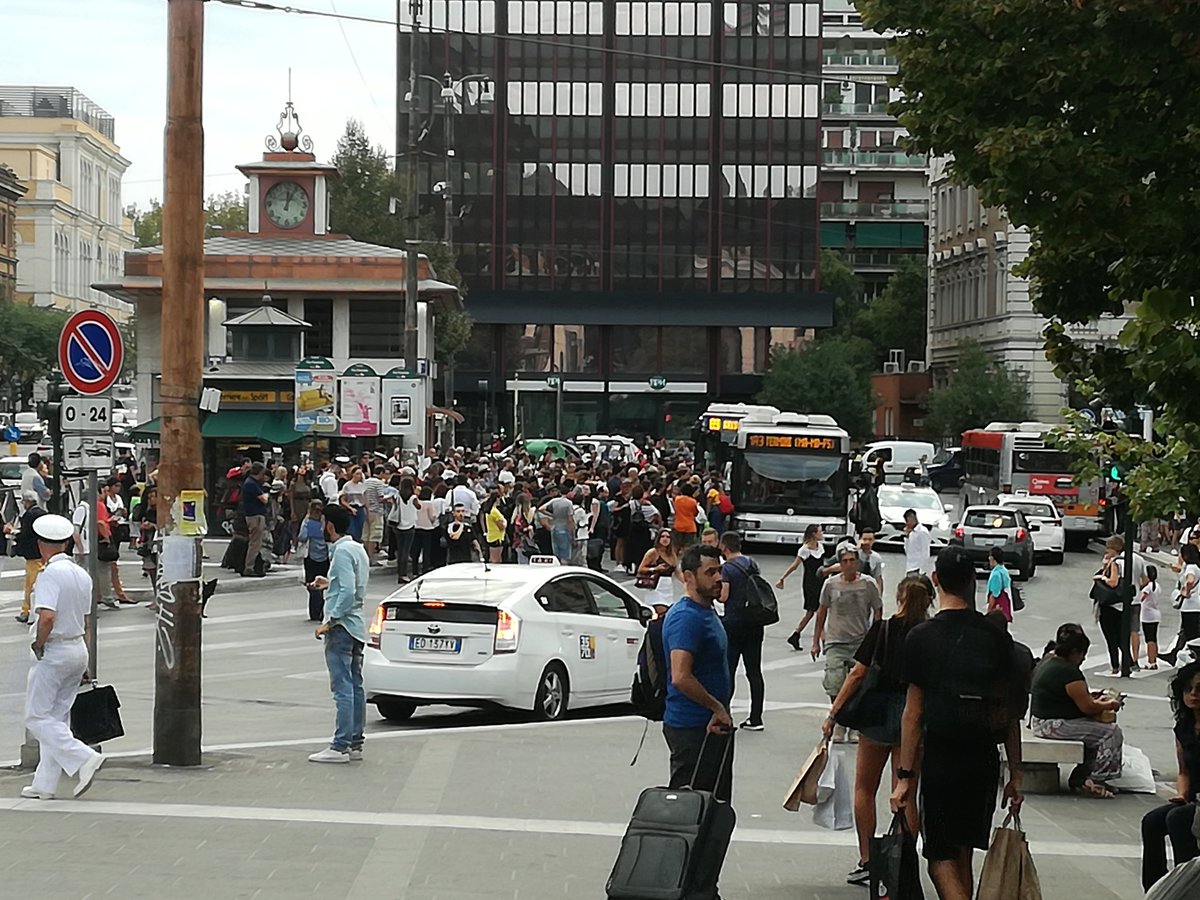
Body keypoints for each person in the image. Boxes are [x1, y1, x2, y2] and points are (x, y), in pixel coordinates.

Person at [891, 546, 1024, 900]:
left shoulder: (920, 637)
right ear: (974, 581)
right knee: (962, 850)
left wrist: (904, 778)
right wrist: (1016, 774)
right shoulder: (996, 636)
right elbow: (1008, 712)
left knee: (938, 856)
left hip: (942, 755)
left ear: (936, 581)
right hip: (983, 758)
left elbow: (913, 713)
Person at [825, 575, 934, 886]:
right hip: (914, 714)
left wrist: (834, 713)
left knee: (864, 788)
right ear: (928, 600)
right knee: (906, 792)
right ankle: (904, 860)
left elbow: (859, 672)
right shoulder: (928, 633)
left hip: (877, 713)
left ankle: (868, 859)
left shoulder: (883, 628)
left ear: (899, 596)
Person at [21, 513, 106, 800]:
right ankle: (44, 784)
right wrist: (87, 660)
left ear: (43, 545)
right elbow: (87, 620)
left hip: (55, 650)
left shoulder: (49, 575)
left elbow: (47, 617)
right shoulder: (82, 574)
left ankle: (83, 757)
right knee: (56, 718)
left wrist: (38, 645)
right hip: (77, 649)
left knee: (36, 717)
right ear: (68, 543)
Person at [662, 543, 734, 801]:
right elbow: (680, 677)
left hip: (711, 726)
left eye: (719, 571)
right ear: (689, 577)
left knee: (713, 807)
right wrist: (716, 708)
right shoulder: (686, 617)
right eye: (710, 572)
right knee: (690, 810)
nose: (718, 578)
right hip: (694, 729)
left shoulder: (706, 610)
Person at [1029, 624, 1123, 797]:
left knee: (1094, 732)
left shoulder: (1049, 660)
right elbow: (1087, 707)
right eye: (1082, 654)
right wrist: (1109, 704)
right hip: (1053, 724)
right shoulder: (1068, 672)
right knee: (1111, 732)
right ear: (1073, 652)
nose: (1083, 659)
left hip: (1040, 720)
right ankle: (1096, 779)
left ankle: (1081, 777)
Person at [308, 504, 369, 764]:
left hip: (342, 626)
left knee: (342, 687)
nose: (322, 528)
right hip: (356, 626)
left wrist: (330, 621)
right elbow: (350, 584)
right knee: (355, 684)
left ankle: (340, 745)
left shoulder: (342, 552)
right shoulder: (357, 548)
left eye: (323, 523)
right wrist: (327, 582)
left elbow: (347, 591)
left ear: (330, 526)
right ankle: (355, 741)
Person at [1141, 660, 1200, 890]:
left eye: (1199, 689)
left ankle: (1187, 886)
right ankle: (1156, 888)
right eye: (1188, 689)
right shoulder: (1183, 727)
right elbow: (1184, 771)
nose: (1193, 694)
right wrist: (1181, 793)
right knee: (1152, 821)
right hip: (1193, 797)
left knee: (1178, 820)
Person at [813, 543, 883, 733]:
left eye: (852, 560)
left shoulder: (868, 584)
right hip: (836, 640)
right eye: (845, 561)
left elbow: (878, 609)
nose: (849, 564)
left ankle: (853, 723)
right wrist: (816, 640)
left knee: (858, 685)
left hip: (860, 641)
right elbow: (821, 611)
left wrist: (875, 637)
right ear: (840, 564)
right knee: (834, 683)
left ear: (858, 563)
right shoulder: (831, 584)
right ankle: (838, 721)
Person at [718, 531, 766, 731]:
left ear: (724, 547)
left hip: (733, 622)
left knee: (728, 669)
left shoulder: (727, 568)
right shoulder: (752, 563)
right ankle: (756, 717)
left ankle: (725, 714)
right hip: (754, 622)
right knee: (754, 671)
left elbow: (724, 596)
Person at [777, 524, 828, 652]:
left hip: (821, 582)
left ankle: (796, 634)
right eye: (820, 532)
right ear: (813, 534)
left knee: (812, 612)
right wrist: (782, 578)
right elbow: (794, 565)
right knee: (817, 611)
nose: (822, 534)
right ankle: (824, 641)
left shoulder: (820, 547)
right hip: (810, 584)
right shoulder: (804, 550)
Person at [7, 490, 46, 624]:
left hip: (32, 555)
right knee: (39, 582)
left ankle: (27, 611)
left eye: (23, 501)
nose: (23, 504)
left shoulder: (29, 516)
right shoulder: (42, 513)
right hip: (42, 552)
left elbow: (25, 535)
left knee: (30, 584)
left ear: (28, 501)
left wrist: (13, 532)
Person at [1163, 543, 1200, 666]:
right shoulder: (1195, 566)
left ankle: (1187, 656)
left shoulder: (1191, 567)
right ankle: (1174, 653)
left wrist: (1186, 590)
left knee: (1190, 633)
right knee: (1188, 632)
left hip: (1191, 605)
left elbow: (1190, 580)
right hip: (1196, 604)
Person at [298, 500, 329, 622]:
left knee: (312, 584)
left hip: (311, 557)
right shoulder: (325, 523)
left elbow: (302, 537)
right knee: (322, 583)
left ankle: (314, 612)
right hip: (325, 557)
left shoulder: (308, 522)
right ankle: (322, 609)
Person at [638, 527, 680, 610]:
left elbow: (677, 572)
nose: (665, 539)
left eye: (668, 537)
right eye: (662, 536)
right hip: (656, 586)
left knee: (668, 611)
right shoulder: (653, 552)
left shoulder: (672, 554)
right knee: (660, 611)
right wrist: (655, 569)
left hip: (668, 588)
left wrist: (687, 582)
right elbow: (641, 569)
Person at [240, 462, 269, 577]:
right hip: (255, 515)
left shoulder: (253, 483)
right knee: (255, 543)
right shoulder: (251, 484)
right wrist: (266, 494)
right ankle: (249, 567)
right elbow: (264, 499)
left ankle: (255, 564)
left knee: (256, 542)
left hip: (255, 514)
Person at [392, 476, 421, 582]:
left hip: (398, 525)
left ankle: (400, 574)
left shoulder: (397, 495)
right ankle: (404, 574)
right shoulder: (413, 497)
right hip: (410, 525)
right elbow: (419, 506)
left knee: (400, 551)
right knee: (406, 550)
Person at [538, 491, 577, 564]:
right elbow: (570, 520)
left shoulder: (554, 501)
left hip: (554, 528)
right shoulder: (569, 503)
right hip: (564, 529)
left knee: (556, 554)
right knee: (565, 555)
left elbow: (541, 509)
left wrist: (552, 515)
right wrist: (573, 536)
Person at [361, 466, 388, 563]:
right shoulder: (379, 483)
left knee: (366, 535)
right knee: (374, 536)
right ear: (381, 473)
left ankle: (365, 557)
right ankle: (370, 558)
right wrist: (388, 498)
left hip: (366, 511)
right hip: (376, 511)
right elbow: (380, 498)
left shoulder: (366, 481)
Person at [985, 546, 1013, 623]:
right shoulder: (1004, 571)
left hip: (997, 610)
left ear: (992, 559)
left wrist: (988, 611)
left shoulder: (996, 574)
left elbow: (994, 594)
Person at [339, 466, 367, 543]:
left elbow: (365, 499)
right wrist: (350, 507)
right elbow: (343, 500)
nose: (359, 476)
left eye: (360, 474)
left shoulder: (363, 486)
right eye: (357, 474)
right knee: (352, 529)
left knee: (360, 529)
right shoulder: (347, 486)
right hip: (350, 509)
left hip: (360, 508)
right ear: (353, 474)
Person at [1142, 565, 1162, 670]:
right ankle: (1154, 660)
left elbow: (1141, 598)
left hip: (1147, 615)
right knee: (1154, 638)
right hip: (1156, 614)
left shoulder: (1147, 586)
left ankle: (1150, 661)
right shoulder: (1157, 586)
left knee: (1149, 639)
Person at [901, 508, 932, 576]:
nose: (906, 524)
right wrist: (907, 536)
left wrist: (922, 569)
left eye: (907, 521)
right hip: (910, 567)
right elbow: (907, 550)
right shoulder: (911, 533)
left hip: (917, 568)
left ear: (911, 519)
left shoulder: (922, 532)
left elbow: (925, 552)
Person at [671, 482, 700, 547]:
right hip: (690, 527)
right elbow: (695, 513)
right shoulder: (693, 501)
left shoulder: (677, 499)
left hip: (678, 525)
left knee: (676, 547)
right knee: (688, 548)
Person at [483, 491, 508, 564]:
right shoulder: (494, 512)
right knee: (496, 560)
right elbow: (501, 526)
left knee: (494, 558)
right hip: (496, 537)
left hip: (492, 536)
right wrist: (505, 522)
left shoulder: (489, 510)